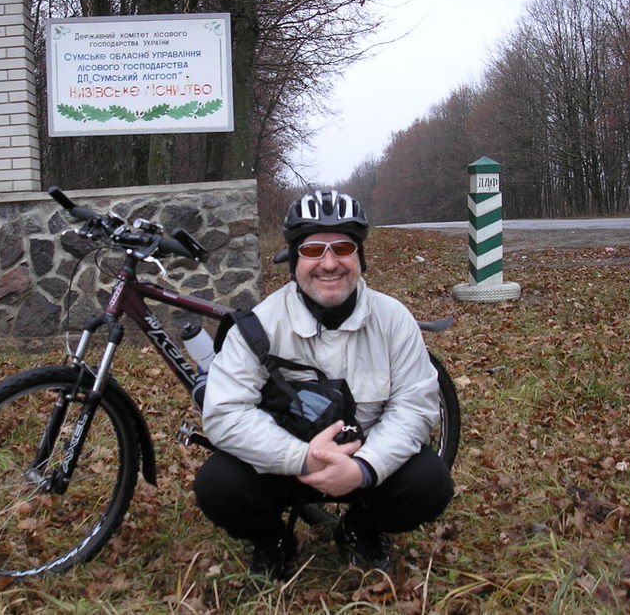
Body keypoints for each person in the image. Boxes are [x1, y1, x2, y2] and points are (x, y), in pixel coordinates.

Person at [193, 189, 454, 579]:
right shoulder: (260, 324)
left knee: (430, 483)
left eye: (343, 248)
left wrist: (364, 467)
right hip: (285, 468)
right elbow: (225, 413)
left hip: (365, 465)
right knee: (218, 485)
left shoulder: (393, 319)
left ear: (360, 257)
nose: (329, 264)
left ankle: (360, 531)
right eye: (313, 250)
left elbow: (415, 407)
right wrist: (302, 458)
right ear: (294, 260)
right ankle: (273, 541)